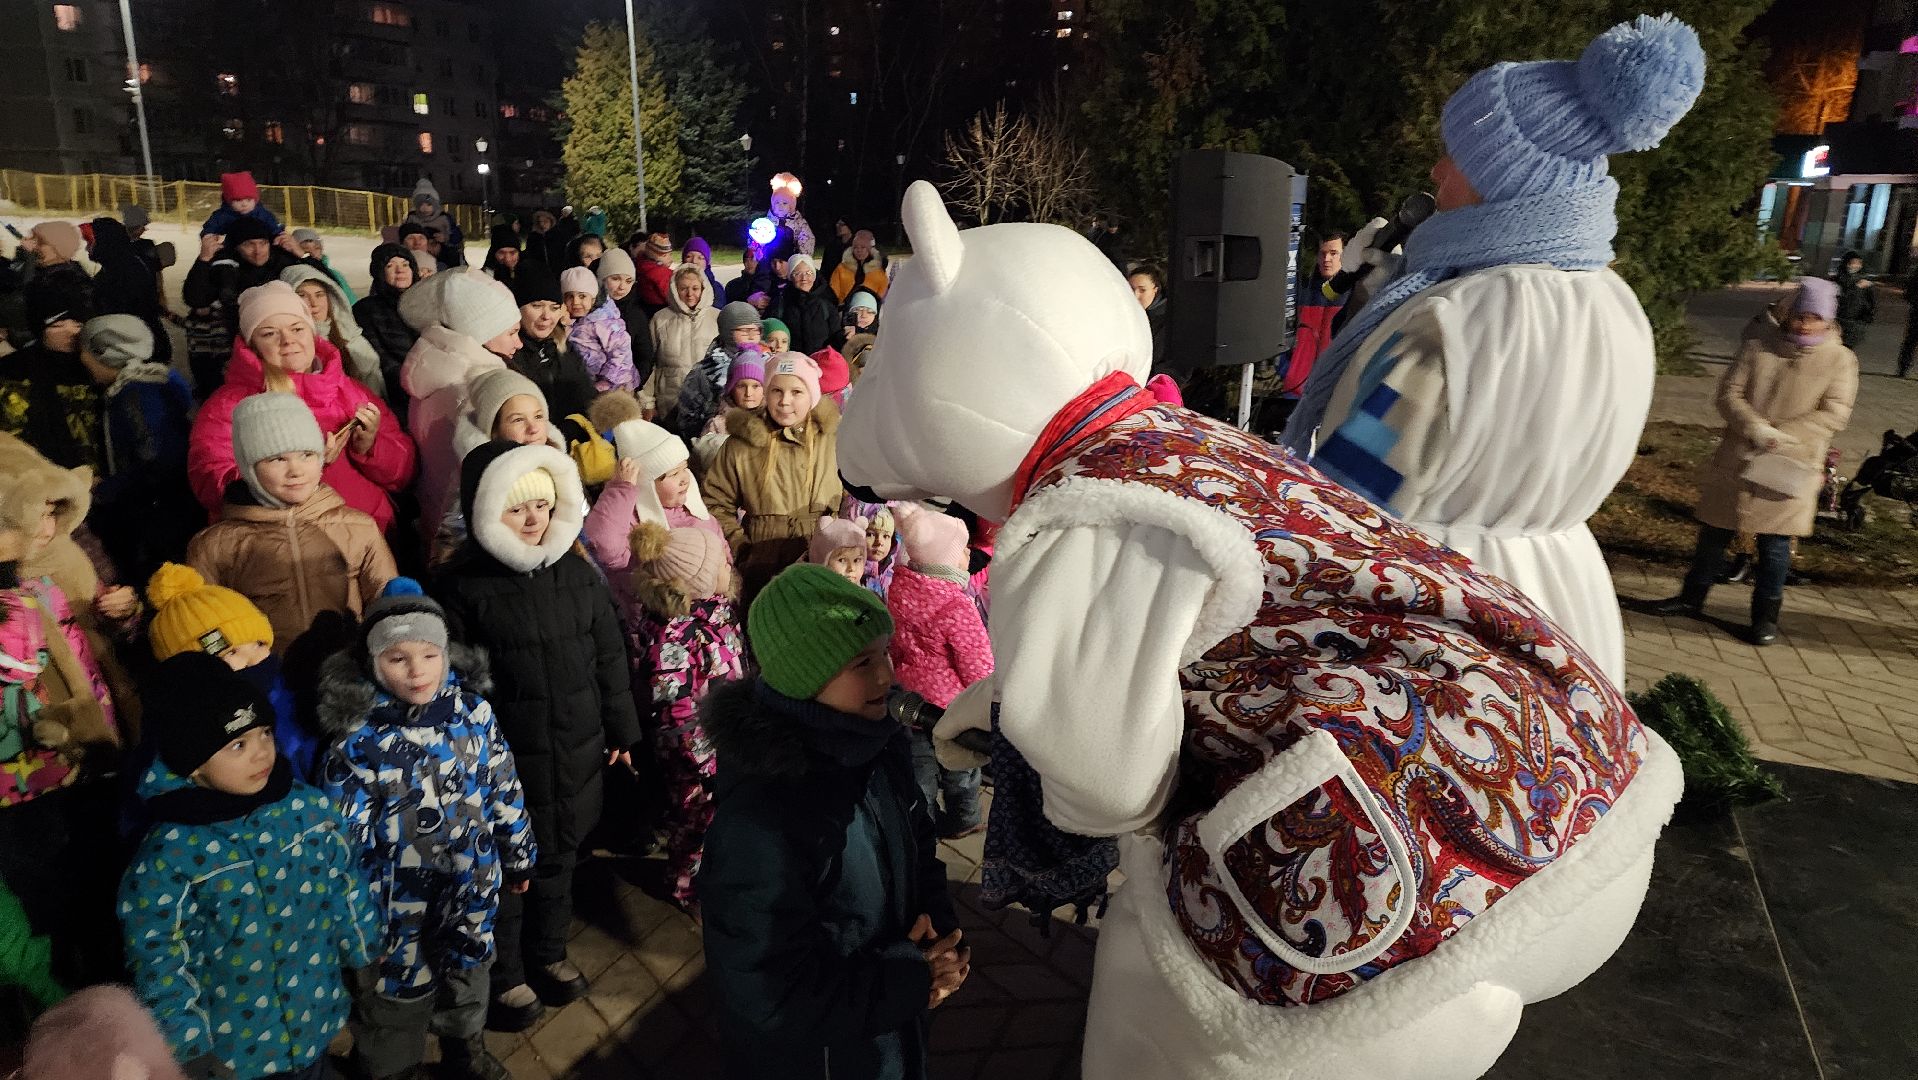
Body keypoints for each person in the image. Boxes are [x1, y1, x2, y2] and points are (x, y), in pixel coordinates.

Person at [838, 178, 1691, 1080]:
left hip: (1421, 886)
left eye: (893, 365)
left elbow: (1104, 772)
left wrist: (1056, 779)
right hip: (1575, 794)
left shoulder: (1082, 510)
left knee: (1164, 1019)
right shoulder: (1190, 442)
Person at [1281, 15, 1708, 689]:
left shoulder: (1457, 320)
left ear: (1500, 177)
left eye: (1455, 155)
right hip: (1568, 598)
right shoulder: (1616, 306)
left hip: (1445, 618)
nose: (1437, 169)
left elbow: (1352, 493)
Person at [699, 563, 967, 1079]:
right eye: (861, 663)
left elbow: (919, 842)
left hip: (885, 1031)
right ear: (805, 675)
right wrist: (910, 981)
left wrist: (941, 935)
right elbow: (768, 991)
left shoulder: (876, 745)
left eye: (885, 653)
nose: (887, 675)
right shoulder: (766, 816)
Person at [432, 439, 641, 1032]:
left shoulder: (575, 571)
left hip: (575, 750)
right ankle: (506, 974)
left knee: (562, 860)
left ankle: (549, 952)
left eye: (543, 507)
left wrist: (622, 725)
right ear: (484, 511)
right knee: (507, 871)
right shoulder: (462, 588)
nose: (533, 520)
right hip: (507, 761)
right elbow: (456, 684)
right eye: (516, 508)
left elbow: (608, 654)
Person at [119, 653, 381, 1080]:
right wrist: (187, 1045)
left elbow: (343, 882)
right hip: (237, 1048)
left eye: (263, 733)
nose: (261, 752)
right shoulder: (170, 854)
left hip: (315, 1011)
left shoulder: (306, 807)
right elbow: (159, 956)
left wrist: (363, 949)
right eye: (238, 745)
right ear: (194, 763)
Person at [317, 579, 534, 1080]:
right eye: (397, 658)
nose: (417, 671)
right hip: (396, 912)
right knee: (395, 1002)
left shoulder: (475, 715)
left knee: (468, 976)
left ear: (447, 655)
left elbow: (504, 787)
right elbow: (342, 840)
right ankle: (391, 1067)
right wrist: (349, 914)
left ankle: (465, 1051)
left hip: (470, 888)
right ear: (371, 663)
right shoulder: (357, 743)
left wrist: (518, 852)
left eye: (429, 654)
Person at [1650, 278, 1858, 644]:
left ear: (1828, 321)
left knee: (1775, 546)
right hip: (1740, 455)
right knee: (1713, 533)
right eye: (1800, 316)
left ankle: (1765, 619)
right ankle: (1690, 599)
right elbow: (1729, 393)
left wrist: (1781, 434)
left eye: (1815, 318)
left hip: (1791, 462)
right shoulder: (1758, 346)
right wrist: (1754, 427)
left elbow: (1835, 412)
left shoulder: (1840, 360)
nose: (1805, 324)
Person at [0, 449, 125, 990]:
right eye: (32, 517)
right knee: (47, 899)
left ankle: (103, 980)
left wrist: (118, 617)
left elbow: (83, 658)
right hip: (19, 784)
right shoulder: (16, 601)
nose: (45, 528)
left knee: (96, 877)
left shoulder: (51, 582)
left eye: (55, 513)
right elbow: (19, 670)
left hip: (80, 761)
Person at [189, 282, 416, 531]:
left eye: (297, 328)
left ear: (312, 334)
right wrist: (307, 466)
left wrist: (370, 447)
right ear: (252, 345)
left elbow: (404, 472)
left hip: (370, 537)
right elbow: (211, 484)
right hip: (288, 546)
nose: (288, 341)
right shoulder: (229, 406)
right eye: (269, 333)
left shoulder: (351, 390)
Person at [186, 392, 398, 656]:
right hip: (268, 682)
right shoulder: (216, 546)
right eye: (278, 459)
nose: (296, 470)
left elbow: (390, 604)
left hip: (349, 676)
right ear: (249, 468)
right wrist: (232, 667)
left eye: (307, 454)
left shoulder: (358, 527)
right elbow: (201, 625)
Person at [621, 522, 743, 914]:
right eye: (720, 562)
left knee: (721, 821)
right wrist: (704, 763)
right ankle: (684, 887)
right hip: (696, 757)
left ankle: (718, 874)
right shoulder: (675, 636)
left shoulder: (716, 614)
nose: (729, 564)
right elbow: (678, 712)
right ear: (695, 582)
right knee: (695, 824)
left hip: (726, 744)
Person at [143, 562, 311, 782]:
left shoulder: (294, 691)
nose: (254, 659)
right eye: (232, 652)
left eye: (259, 644)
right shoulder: (187, 729)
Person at [397, 269, 526, 552]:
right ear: (481, 332)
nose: (519, 343)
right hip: (470, 532)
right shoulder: (475, 392)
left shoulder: (434, 370)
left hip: (435, 513)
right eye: (512, 333)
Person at [883, 506, 989, 839]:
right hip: (952, 710)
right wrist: (988, 699)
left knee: (920, 774)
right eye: (962, 551)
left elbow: (894, 647)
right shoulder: (956, 606)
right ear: (943, 561)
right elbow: (977, 665)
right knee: (961, 770)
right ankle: (964, 819)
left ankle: (923, 828)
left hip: (910, 705)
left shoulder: (898, 593)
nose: (968, 556)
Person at [704, 353, 843, 602]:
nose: (784, 401)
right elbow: (715, 503)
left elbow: (854, 497)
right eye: (776, 391)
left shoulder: (833, 439)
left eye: (796, 392)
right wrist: (741, 548)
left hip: (824, 559)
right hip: (762, 563)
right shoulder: (742, 445)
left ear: (812, 394)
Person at [77, 316, 197, 582]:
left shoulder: (135, 396)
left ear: (107, 355)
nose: (82, 358)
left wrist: (104, 490)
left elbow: (154, 461)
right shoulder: (153, 381)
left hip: (158, 513)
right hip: (165, 506)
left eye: (85, 351)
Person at [181, 216, 329, 398]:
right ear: (236, 246)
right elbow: (195, 298)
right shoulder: (225, 266)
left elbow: (329, 286)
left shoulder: (282, 260)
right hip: (234, 347)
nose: (258, 251)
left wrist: (303, 255)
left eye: (263, 243)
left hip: (281, 345)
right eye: (249, 245)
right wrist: (203, 260)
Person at [584, 419, 727, 576]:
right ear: (648, 487)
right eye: (673, 474)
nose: (685, 479)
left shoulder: (694, 511)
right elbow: (606, 549)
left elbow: (722, 549)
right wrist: (621, 490)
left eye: (684, 468)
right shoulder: (634, 526)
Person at [1, 284, 102, 470]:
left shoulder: (100, 365)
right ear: (39, 329)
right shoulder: (15, 370)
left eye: (78, 324)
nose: (72, 331)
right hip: (46, 481)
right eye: (57, 325)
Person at [507, 262, 597, 421]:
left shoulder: (563, 346)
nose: (547, 316)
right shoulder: (509, 354)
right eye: (537, 306)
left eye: (554, 308)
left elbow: (587, 396)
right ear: (517, 309)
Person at [283, 263, 386, 396]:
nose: (314, 303)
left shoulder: (351, 339)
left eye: (319, 295)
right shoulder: (288, 347)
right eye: (302, 295)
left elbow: (374, 386)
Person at [84, 217, 171, 369]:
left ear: (106, 242)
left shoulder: (123, 270)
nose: (87, 248)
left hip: (138, 353)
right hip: (141, 346)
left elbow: (121, 314)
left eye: (90, 243)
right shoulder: (119, 264)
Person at [670, 302, 764, 442]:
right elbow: (687, 419)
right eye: (744, 330)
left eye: (756, 331)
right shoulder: (705, 372)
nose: (751, 336)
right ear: (727, 332)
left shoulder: (766, 364)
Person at [645, 265, 720, 419]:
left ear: (703, 289)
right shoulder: (660, 319)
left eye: (695, 288)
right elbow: (649, 364)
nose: (690, 294)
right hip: (670, 403)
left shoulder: (717, 318)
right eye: (683, 288)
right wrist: (647, 402)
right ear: (675, 289)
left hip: (708, 404)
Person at [354, 243, 421, 417]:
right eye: (391, 266)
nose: (400, 271)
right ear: (379, 272)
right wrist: (411, 383)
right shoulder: (367, 310)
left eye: (405, 265)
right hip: (398, 395)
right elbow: (379, 358)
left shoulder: (428, 303)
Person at [1285, 231, 1348, 397]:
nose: (1327, 259)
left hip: (1333, 394)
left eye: (1333, 253)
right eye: (1323, 253)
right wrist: (1289, 372)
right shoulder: (1301, 293)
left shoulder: (1356, 294)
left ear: (1345, 255)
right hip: (1295, 394)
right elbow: (1282, 338)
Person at [560, 267, 635, 392]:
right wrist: (566, 324)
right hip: (585, 384)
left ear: (593, 299)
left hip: (613, 387)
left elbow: (621, 351)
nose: (576, 302)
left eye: (582, 296)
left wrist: (606, 382)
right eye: (570, 297)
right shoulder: (570, 321)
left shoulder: (604, 322)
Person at [595, 248, 657, 390]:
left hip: (625, 391)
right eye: (615, 278)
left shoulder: (637, 315)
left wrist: (633, 385)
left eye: (628, 281)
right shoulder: (588, 311)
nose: (622, 286)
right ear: (602, 278)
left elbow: (645, 356)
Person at [773, 254, 838, 355]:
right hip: (792, 363)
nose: (804, 278)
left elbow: (836, 337)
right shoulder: (781, 303)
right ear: (790, 276)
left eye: (809, 273)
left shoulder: (826, 302)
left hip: (821, 363)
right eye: (798, 273)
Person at [198, 171, 282, 237]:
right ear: (229, 201)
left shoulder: (263, 215)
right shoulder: (221, 216)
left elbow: (275, 228)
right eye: (238, 200)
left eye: (249, 200)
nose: (244, 204)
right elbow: (209, 229)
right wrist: (208, 237)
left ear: (255, 200)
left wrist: (280, 236)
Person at [406, 180, 466, 269]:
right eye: (420, 205)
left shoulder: (444, 218)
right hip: (419, 251)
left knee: (451, 257)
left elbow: (457, 236)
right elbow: (405, 234)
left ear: (435, 205)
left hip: (443, 252)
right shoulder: (413, 218)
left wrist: (446, 237)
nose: (424, 208)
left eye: (428, 204)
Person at [291, 228, 359, 303]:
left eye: (317, 248)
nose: (314, 254)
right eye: (306, 251)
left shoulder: (335, 275)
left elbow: (351, 302)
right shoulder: (294, 277)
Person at [829, 229, 891, 303]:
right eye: (855, 247)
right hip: (844, 309)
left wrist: (873, 306)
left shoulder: (878, 270)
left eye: (863, 247)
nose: (859, 250)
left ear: (869, 250)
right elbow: (833, 290)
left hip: (870, 310)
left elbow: (883, 288)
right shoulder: (841, 268)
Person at [1832, 249, 1875, 349]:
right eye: (1852, 263)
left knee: (1848, 350)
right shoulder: (1838, 280)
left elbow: (1871, 302)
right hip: (1838, 321)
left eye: (1858, 263)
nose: (1855, 266)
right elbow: (1842, 299)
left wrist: (1867, 317)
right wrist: (1856, 288)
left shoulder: (1865, 282)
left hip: (1855, 323)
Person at [682, 237, 727, 310]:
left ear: (707, 262)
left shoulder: (716, 289)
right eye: (689, 256)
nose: (694, 261)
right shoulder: (674, 285)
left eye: (700, 258)